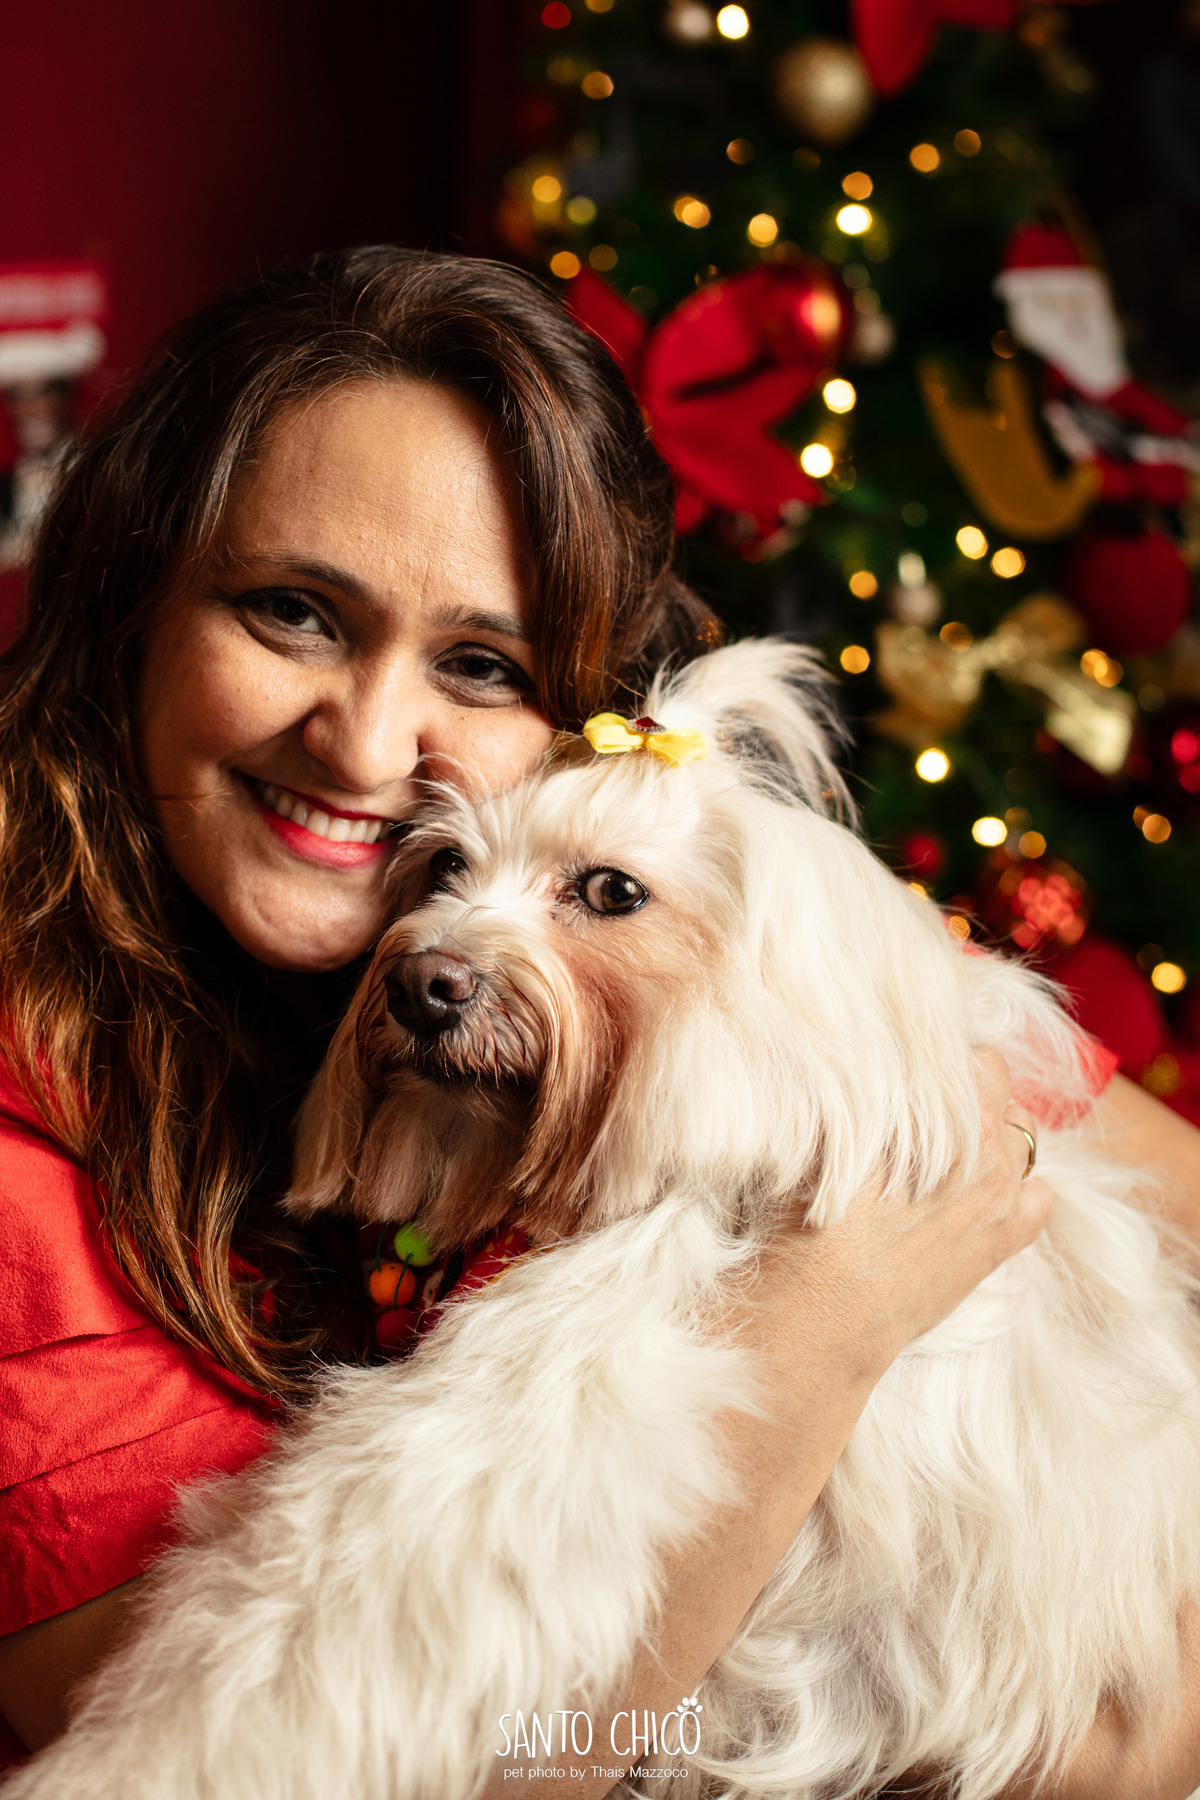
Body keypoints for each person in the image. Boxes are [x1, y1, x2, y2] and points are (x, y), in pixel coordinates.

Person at [0, 245, 1194, 1800]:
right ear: (133, 612)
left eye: (478, 663)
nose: (367, 744)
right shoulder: (27, 1147)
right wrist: (825, 1319)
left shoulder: (740, 943)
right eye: (292, 613)